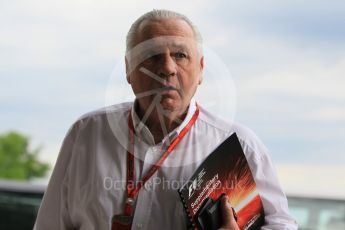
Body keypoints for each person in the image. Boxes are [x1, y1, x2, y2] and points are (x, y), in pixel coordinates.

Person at [34, 9, 297, 230]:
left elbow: (281, 224)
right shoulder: (86, 134)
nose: (168, 68)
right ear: (128, 69)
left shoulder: (239, 145)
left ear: (201, 69)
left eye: (180, 55)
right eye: (152, 55)